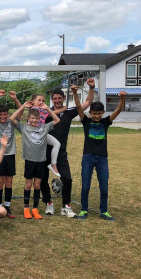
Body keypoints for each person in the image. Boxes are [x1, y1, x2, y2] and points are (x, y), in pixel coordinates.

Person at [40, 79, 95, 218]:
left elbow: (88, 102)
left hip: (61, 152)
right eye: (55, 98)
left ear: (64, 98)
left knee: (67, 178)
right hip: (43, 151)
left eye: (59, 98)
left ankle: (66, 206)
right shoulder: (45, 113)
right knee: (42, 178)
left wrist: (91, 87)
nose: (57, 100)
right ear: (52, 100)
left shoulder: (69, 112)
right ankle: (48, 203)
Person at [73, 86, 127, 221]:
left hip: (102, 158)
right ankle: (84, 210)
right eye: (94, 113)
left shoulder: (105, 122)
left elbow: (119, 109)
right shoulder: (86, 121)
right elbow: (79, 106)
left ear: (103, 112)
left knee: (104, 186)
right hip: (88, 157)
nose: (97, 116)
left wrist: (122, 98)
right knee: (85, 186)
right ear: (90, 113)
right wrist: (74, 93)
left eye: (99, 113)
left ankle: (104, 211)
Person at [10, 100, 60, 219]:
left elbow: (57, 120)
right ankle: (26, 208)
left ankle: (35, 209)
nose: (34, 120)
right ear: (28, 118)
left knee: (37, 185)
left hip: (41, 161)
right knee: (28, 185)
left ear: (39, 119)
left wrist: (47, 108)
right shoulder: (24, 128)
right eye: (32, 118)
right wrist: (23, 106)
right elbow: (12, 118)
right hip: (29, 161)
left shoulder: (44, 128)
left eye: (36, 118)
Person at [0, 89, 21, 218]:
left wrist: (15, 98)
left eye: (5, 114)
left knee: (9, 181)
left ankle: (7, 206)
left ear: (8, 114)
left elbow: (21, 110)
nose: (3, 116)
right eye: (0, 114)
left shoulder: (12, 122)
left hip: (10, 155)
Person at [29, 93, 66, 177]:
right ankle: (50, 165)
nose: (41, 102)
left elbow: (52, 114)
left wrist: (47, 109)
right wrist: (63, 109)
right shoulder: (35, 109)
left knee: (57, 144)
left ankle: (53, 164)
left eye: (43, 101)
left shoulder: (42, 110)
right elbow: (54, 112)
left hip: (41, 133)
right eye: (39, 100)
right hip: (33, 134)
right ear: (33, 101)